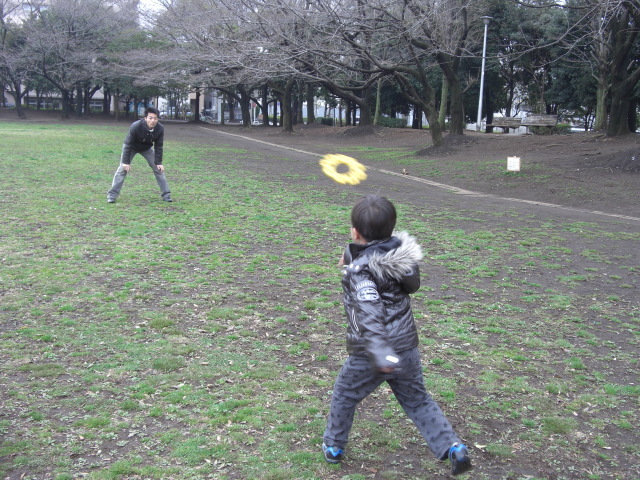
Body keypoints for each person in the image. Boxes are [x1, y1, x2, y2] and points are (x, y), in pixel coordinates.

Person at [322, 194, 471, 476]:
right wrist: (353, 255)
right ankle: (452, 447)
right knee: (417, 399)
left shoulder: (360, 274)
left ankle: (334, 446)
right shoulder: (401, 259)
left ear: (355, 231)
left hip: (375, 351)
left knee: (344, 393)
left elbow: (369, 310)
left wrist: (380, 353)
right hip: (406, 346)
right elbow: (406, 280)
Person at [107, 107, 172, 203]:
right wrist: (125, 162)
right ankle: (112, 195)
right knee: (122, 170)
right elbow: (128, 144)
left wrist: (159, 162)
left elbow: (159, 146)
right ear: (145, 118)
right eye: (150, 118)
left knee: (158, 169)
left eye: (155, 118)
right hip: (132, 147)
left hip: (146, 148)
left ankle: (166, 195)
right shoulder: (136, 126)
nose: (153, 120)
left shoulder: (160, 128)